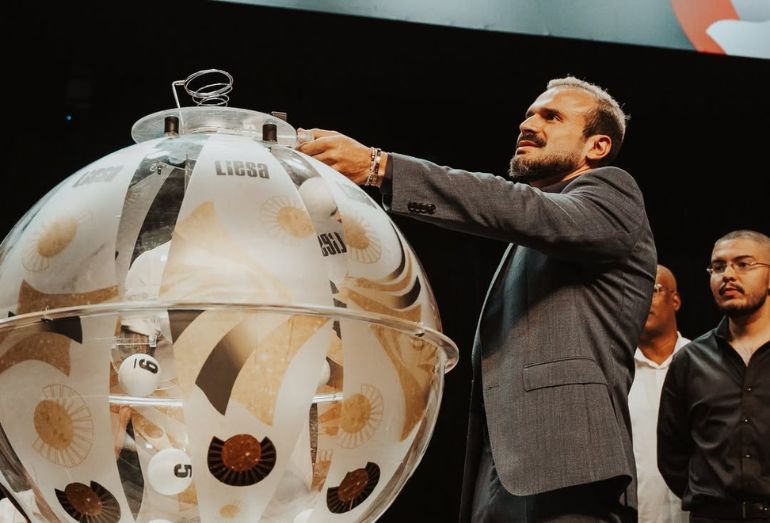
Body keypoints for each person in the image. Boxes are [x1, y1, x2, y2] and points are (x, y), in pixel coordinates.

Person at [298, 76, 656, 521]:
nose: (529, 123)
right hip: (504, 474)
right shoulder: (533, 231)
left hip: (569, 465)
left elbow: (519, 207)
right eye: (528, 114)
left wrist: (381, 166)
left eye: (552, 116)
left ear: (597, 147)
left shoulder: (610, 192)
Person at [658, 230, 770, 522]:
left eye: (743, 264)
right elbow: (672, 455)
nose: (728, 275)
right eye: (718, 267)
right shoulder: (691, 360)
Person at [629, 265, 689, 523]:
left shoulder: (705, 364)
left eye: (652, 289)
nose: (642, 299)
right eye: (633, 291)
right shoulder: (615, 372)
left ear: (675, 300)